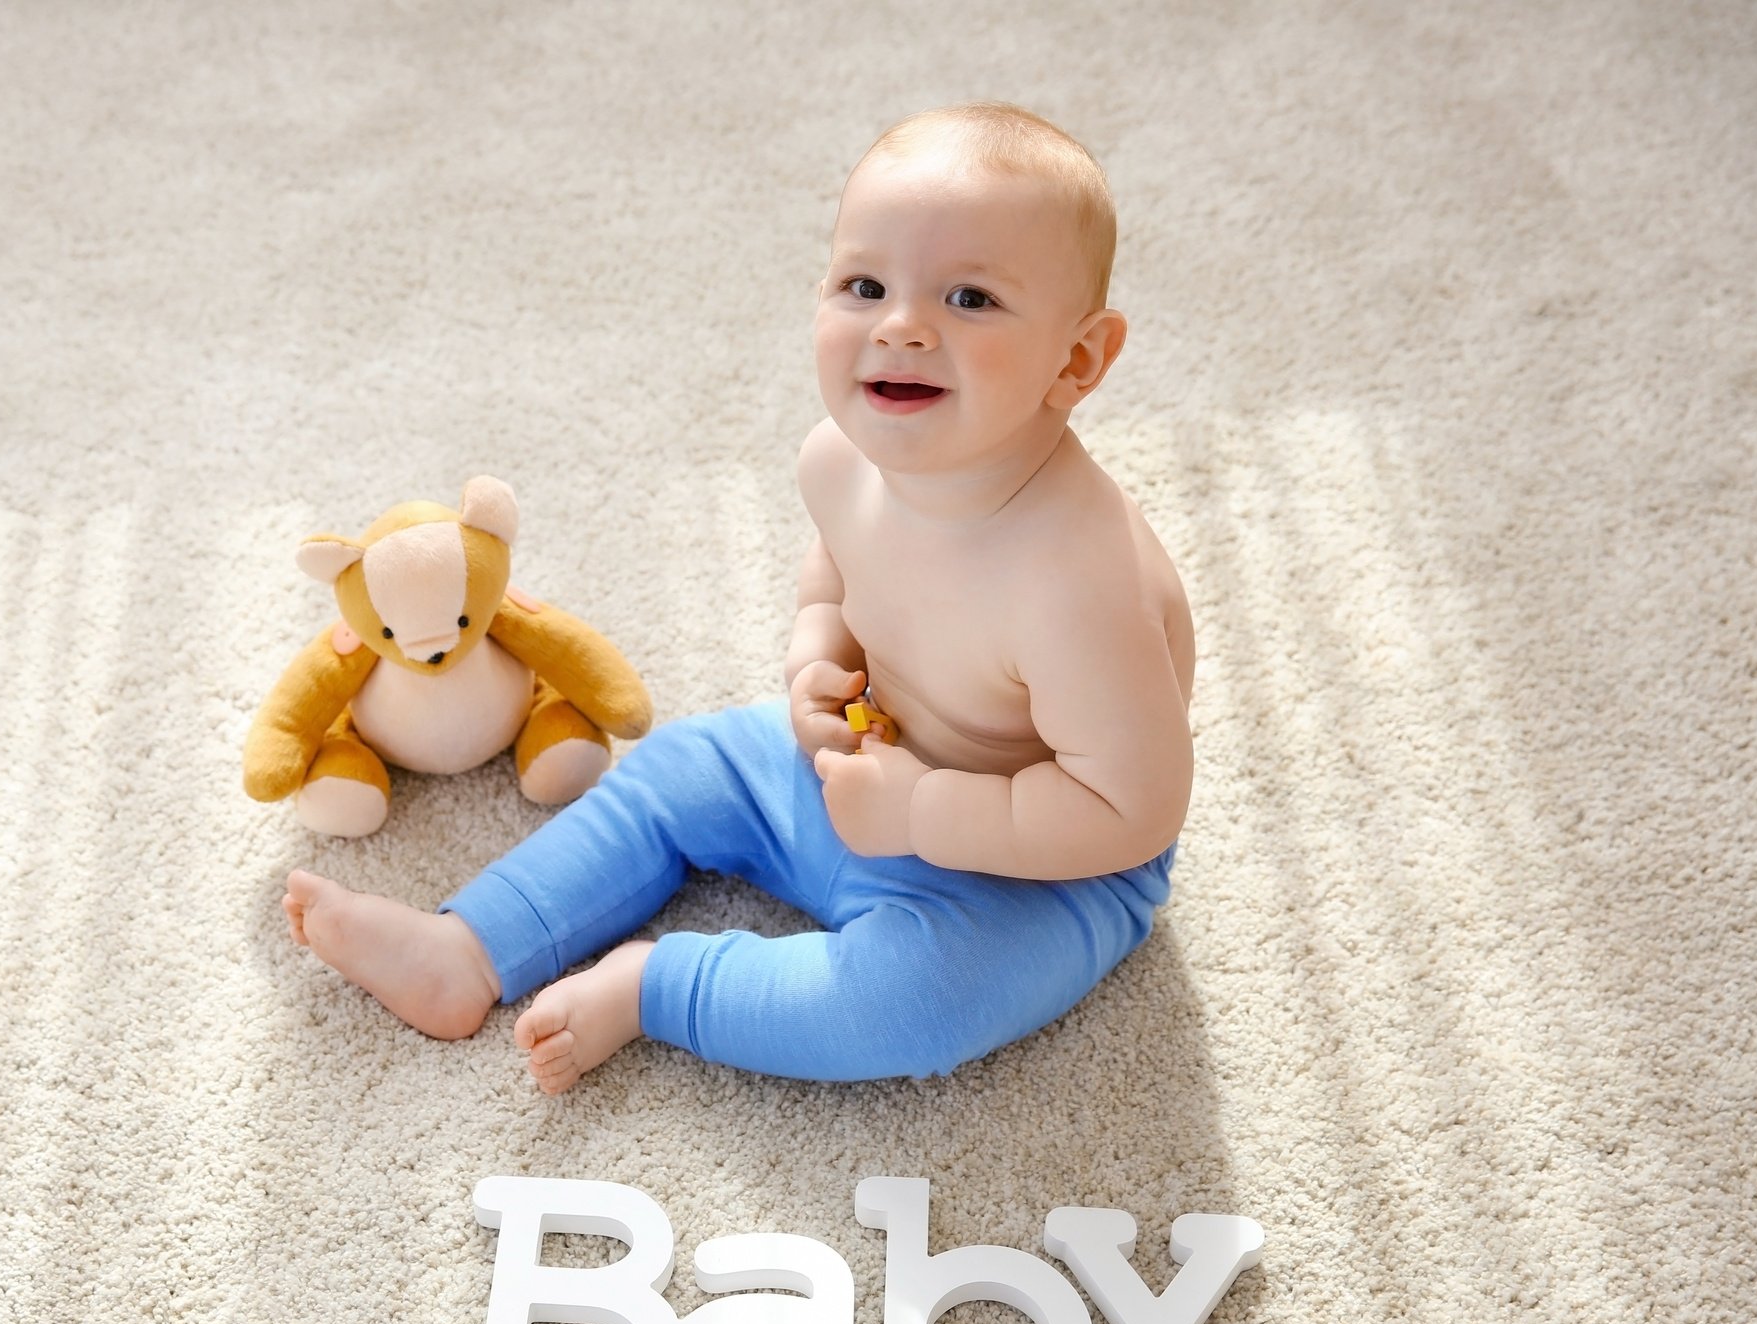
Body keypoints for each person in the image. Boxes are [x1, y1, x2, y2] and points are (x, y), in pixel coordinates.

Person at [283, 102, 1194, 1094]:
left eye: (970, 298)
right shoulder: (840, 462)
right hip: (853, 763)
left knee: (907, 1007)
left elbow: (1130, 811)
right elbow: (834, 574)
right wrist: (815, 656)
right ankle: (469, 946)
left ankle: (657, 987)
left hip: (1034, 869)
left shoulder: (1075, 584)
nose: (902, 325)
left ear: (1078, 361)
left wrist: (927, 811)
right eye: (865, 285)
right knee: (682, 768)